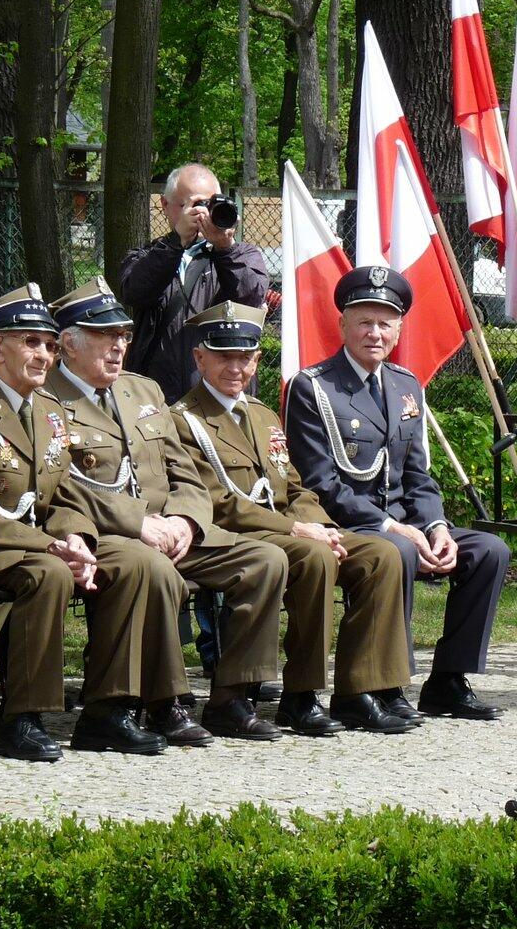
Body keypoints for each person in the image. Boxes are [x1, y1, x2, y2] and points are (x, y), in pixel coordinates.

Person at [0, 285, 164, 761]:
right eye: (30, 342)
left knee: (134, 561)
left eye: (50, 345)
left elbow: (63, 491)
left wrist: (77, 537)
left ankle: (107, 711)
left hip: (32, 541)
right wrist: (49, 546)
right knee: (48, 573)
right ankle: (22, 719)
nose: (44, 355)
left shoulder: (49, 410)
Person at [45, 279, 283, 742]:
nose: (118, 346)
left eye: (123, 336)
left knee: (265, 560)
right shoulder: (45, 398)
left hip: (171, 530)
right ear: (69, 344)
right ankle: (163, 703)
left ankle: (231, 699)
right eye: (105, 336)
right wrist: (138, 523)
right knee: (153, 569)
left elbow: (185, 471)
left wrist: (185, 521)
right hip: (105, 532)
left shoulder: (143, 390)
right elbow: (58, 485)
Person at [173, 301, 416, 735]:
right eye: (224, 356)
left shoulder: (262, 414)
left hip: (287, 529)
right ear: (200, 358)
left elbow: (294, 487)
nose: (236, 368)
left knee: (380, 555)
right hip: (231, 535)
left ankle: (360, 690)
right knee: (313, 556)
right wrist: (298, 529)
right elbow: (217, 502)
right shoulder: (183, 420)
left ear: (256, 361)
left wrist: (323, 527)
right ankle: (301, 694)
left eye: (245, 357)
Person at [285, 266, 506, 721]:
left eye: (385, 324)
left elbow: (417, 474)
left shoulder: (406, 385)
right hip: (346, 526)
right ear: (342, 325)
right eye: (364, 322)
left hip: (406, 523)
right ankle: (386, 683)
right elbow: (318, 483)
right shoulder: (314, 387)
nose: (375, 333)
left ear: (399, 329)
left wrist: (437, 527)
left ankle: (447, 681)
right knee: (398, 551)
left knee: (489, 550)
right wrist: (392, 527)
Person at [118, 163, 271, 402]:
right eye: (192, 205)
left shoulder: (242, 255)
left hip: (221, 396)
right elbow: (135, 292)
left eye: (210, 205)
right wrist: (175, 243)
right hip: (155, 397)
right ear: (165, 205)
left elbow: (250, 298)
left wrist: (225, 248)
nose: (203, 214)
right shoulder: (147, 256)